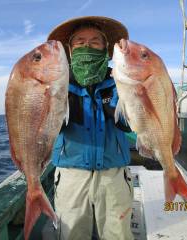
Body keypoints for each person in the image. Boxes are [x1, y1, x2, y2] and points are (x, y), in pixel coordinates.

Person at [47, 16, 134, 240]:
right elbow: (47, 128)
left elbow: (130, 123)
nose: (87, 46)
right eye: (80, 42)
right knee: (71, 233)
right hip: (71, 173)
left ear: (106, 49)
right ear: (70, 49)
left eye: (95, 41)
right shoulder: (57, 82)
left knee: (119, 234)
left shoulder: (121, 80)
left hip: (113, 173)